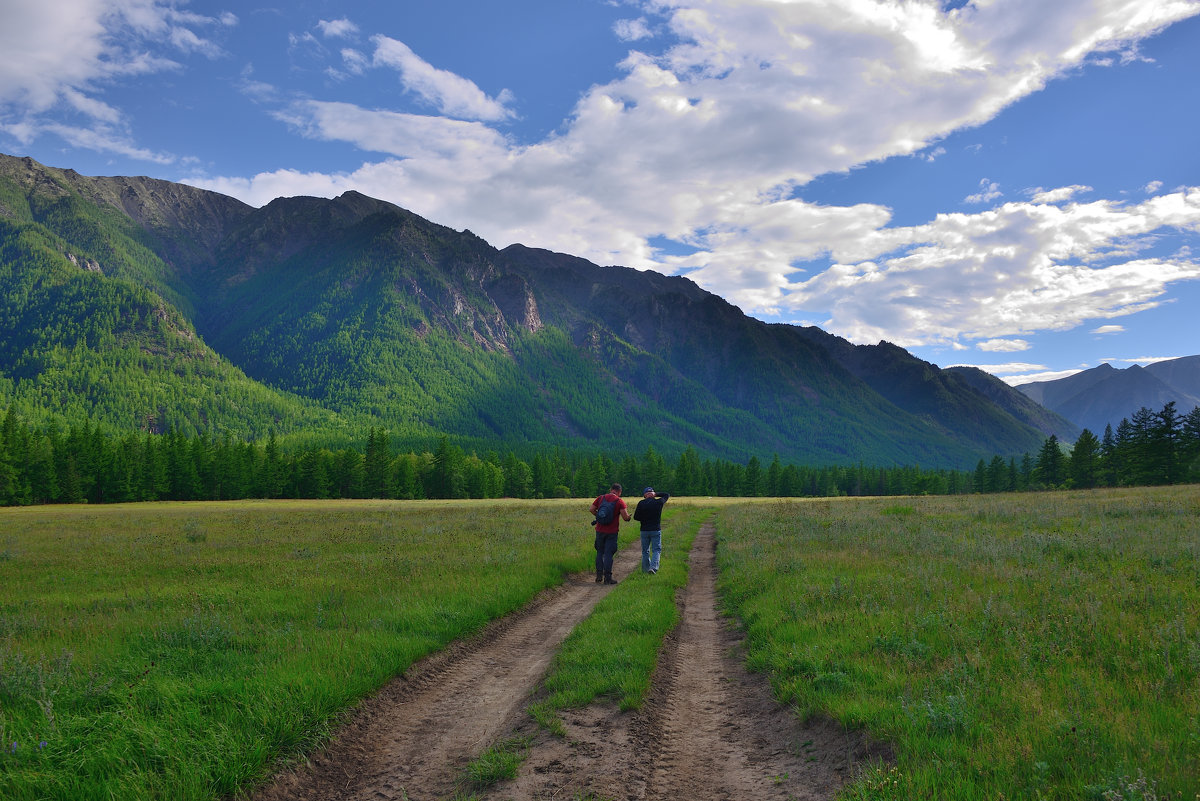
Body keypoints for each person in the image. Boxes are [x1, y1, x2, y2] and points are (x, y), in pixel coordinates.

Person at [590, 483, 631, 585]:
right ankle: (607, 578)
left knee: (599, 552)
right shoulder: (619, 501)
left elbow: (591, 509)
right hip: (612, 532)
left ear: (611, 489)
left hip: (599, 530)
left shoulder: (601, 498)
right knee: (608, 554)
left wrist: (599, 516)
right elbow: (625, 517)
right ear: (619, 492)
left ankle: (599, 575)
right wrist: (629, 517)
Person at [632, 487, 670, 574]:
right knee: (656, 550)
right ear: (653, 494)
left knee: (645, 551)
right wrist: (656, 494)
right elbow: (667, 494)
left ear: (644, 495)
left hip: (644, 530)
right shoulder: (658, 502)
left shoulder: (641, 503)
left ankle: (646, 570)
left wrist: (644, 518)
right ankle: (653, 568)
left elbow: (636, 517)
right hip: (655, 529)